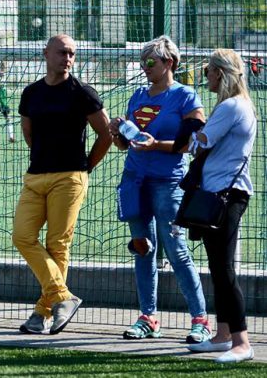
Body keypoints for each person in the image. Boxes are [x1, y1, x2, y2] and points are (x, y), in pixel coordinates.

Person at [110, 35, 210, 343]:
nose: (145, 66)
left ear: (170, 62)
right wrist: (118, 133)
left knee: (177, 251)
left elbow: (193, 143)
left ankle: (200, 320)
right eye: (142, 61)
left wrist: (158, 145)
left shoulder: (185, 96)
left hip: (168, 182)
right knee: (143, 249)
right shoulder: (138, 95)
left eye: (150, 61)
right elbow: (125, 144)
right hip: (134, 180)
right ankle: (148, 318)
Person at [13, 34, 111, 335]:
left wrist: (86, 167)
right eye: (62, 52)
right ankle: (63, 298)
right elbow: (28, 133)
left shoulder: (83, 93)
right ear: (46, 54)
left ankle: (42, 313)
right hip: (35, 176)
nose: (67, 58)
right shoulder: (31, 93)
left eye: (71, 54)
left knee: (57, 244)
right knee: (22, 236)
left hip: (69, 177)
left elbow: (106, 133)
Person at [186, 49, 257, 363]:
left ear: (220, 73)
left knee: (224, 269)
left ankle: (242, 342)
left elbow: (200, 143)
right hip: (222, 193)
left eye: (208, 71)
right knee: (218, 267)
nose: (206, 77)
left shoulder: (230, 106)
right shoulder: (239, 105)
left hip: (225, 194)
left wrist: (192, 135)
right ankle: (223, 335)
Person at [0, 61, 15, 143]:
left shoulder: (4, 76)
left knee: (8, 118)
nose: (4, 67)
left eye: (5, 66)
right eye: (3, 66)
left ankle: (11, 137)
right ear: (0, 66)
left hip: (4, 102)